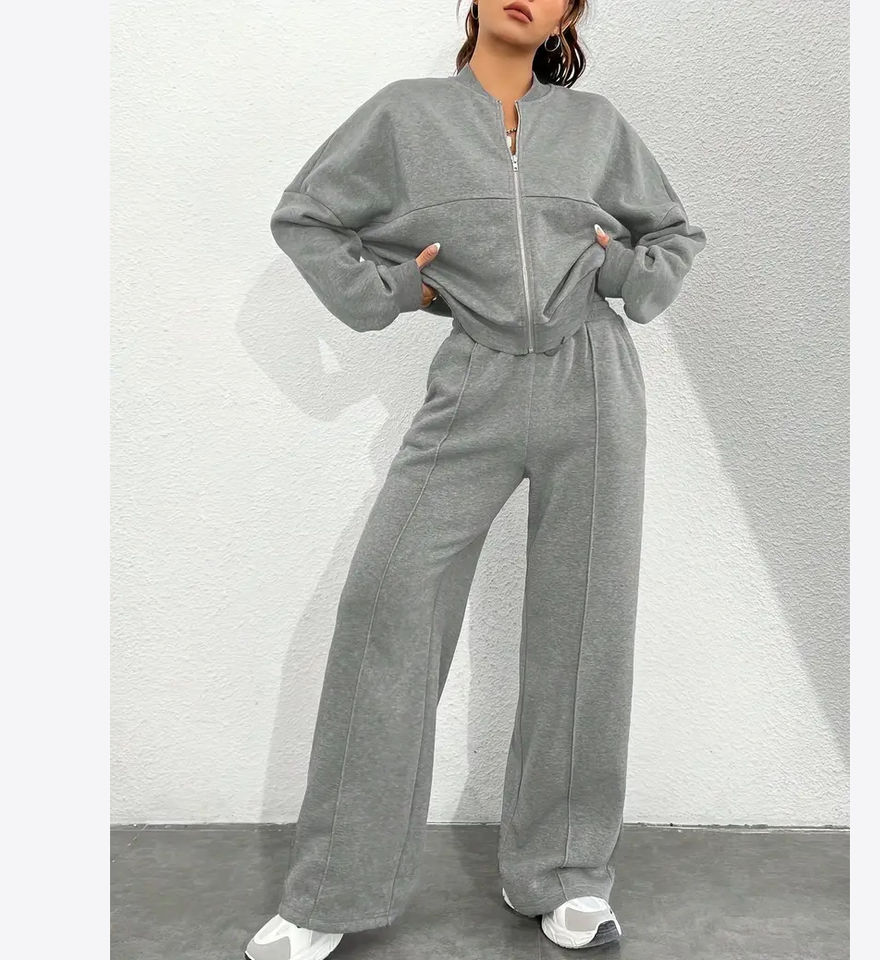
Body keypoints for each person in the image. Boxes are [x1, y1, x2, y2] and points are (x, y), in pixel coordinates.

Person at [246, 2, 706, 957]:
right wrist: (394, 290)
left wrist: (621, 270)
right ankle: (333, 888)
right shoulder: (406, 114)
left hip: (594, 383)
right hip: (474, 380)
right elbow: (307, 216)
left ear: (569, 17)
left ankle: (565, 872)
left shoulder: (595, 125)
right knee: (388, 607)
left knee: (584, 627)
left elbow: (672, 235)